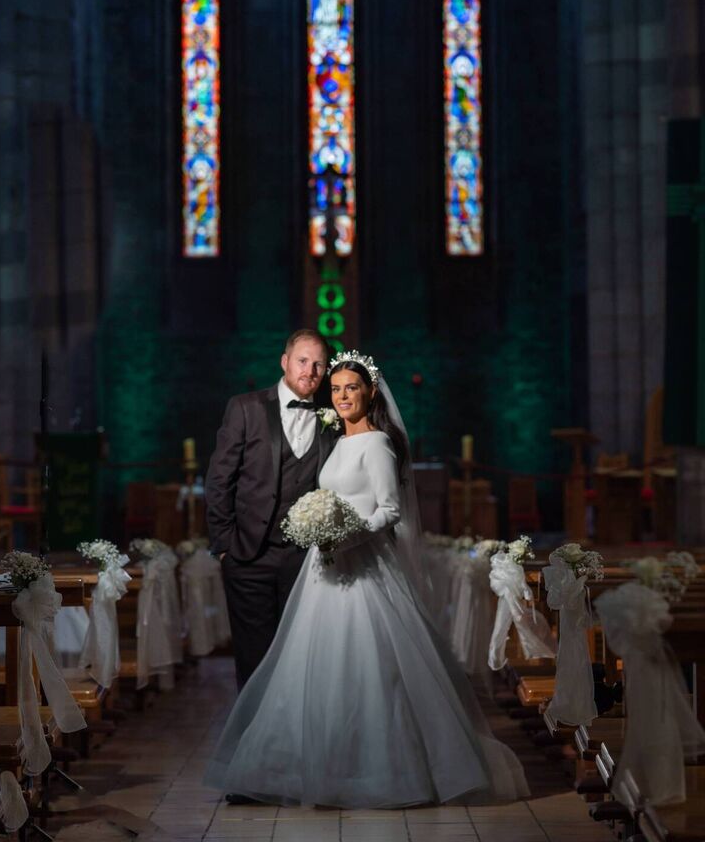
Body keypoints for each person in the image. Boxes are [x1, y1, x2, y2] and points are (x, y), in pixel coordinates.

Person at [205, 350, 529, 809]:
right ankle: (310, 766)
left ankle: (377, 770)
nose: (340, 396)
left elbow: (390, 511)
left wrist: (347, 534)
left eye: (350, 388)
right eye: (335, 389)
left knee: (368, 671)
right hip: (324, 573)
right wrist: (318, 528)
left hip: (362, 567)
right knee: (313, 671)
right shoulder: (336, 439)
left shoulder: (377, 443)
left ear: (370, 392)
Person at [205, 328, 334, 690]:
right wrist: (225, 546)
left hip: (304, 560)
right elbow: (219, 481)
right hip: (247, 556)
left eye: (318, 365)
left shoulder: (331, 417)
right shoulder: (246, 408)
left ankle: (295, 741)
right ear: (285, 361)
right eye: (303, 361)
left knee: (302, 658)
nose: (310, 371)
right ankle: (254, 742)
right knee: (254, 660)